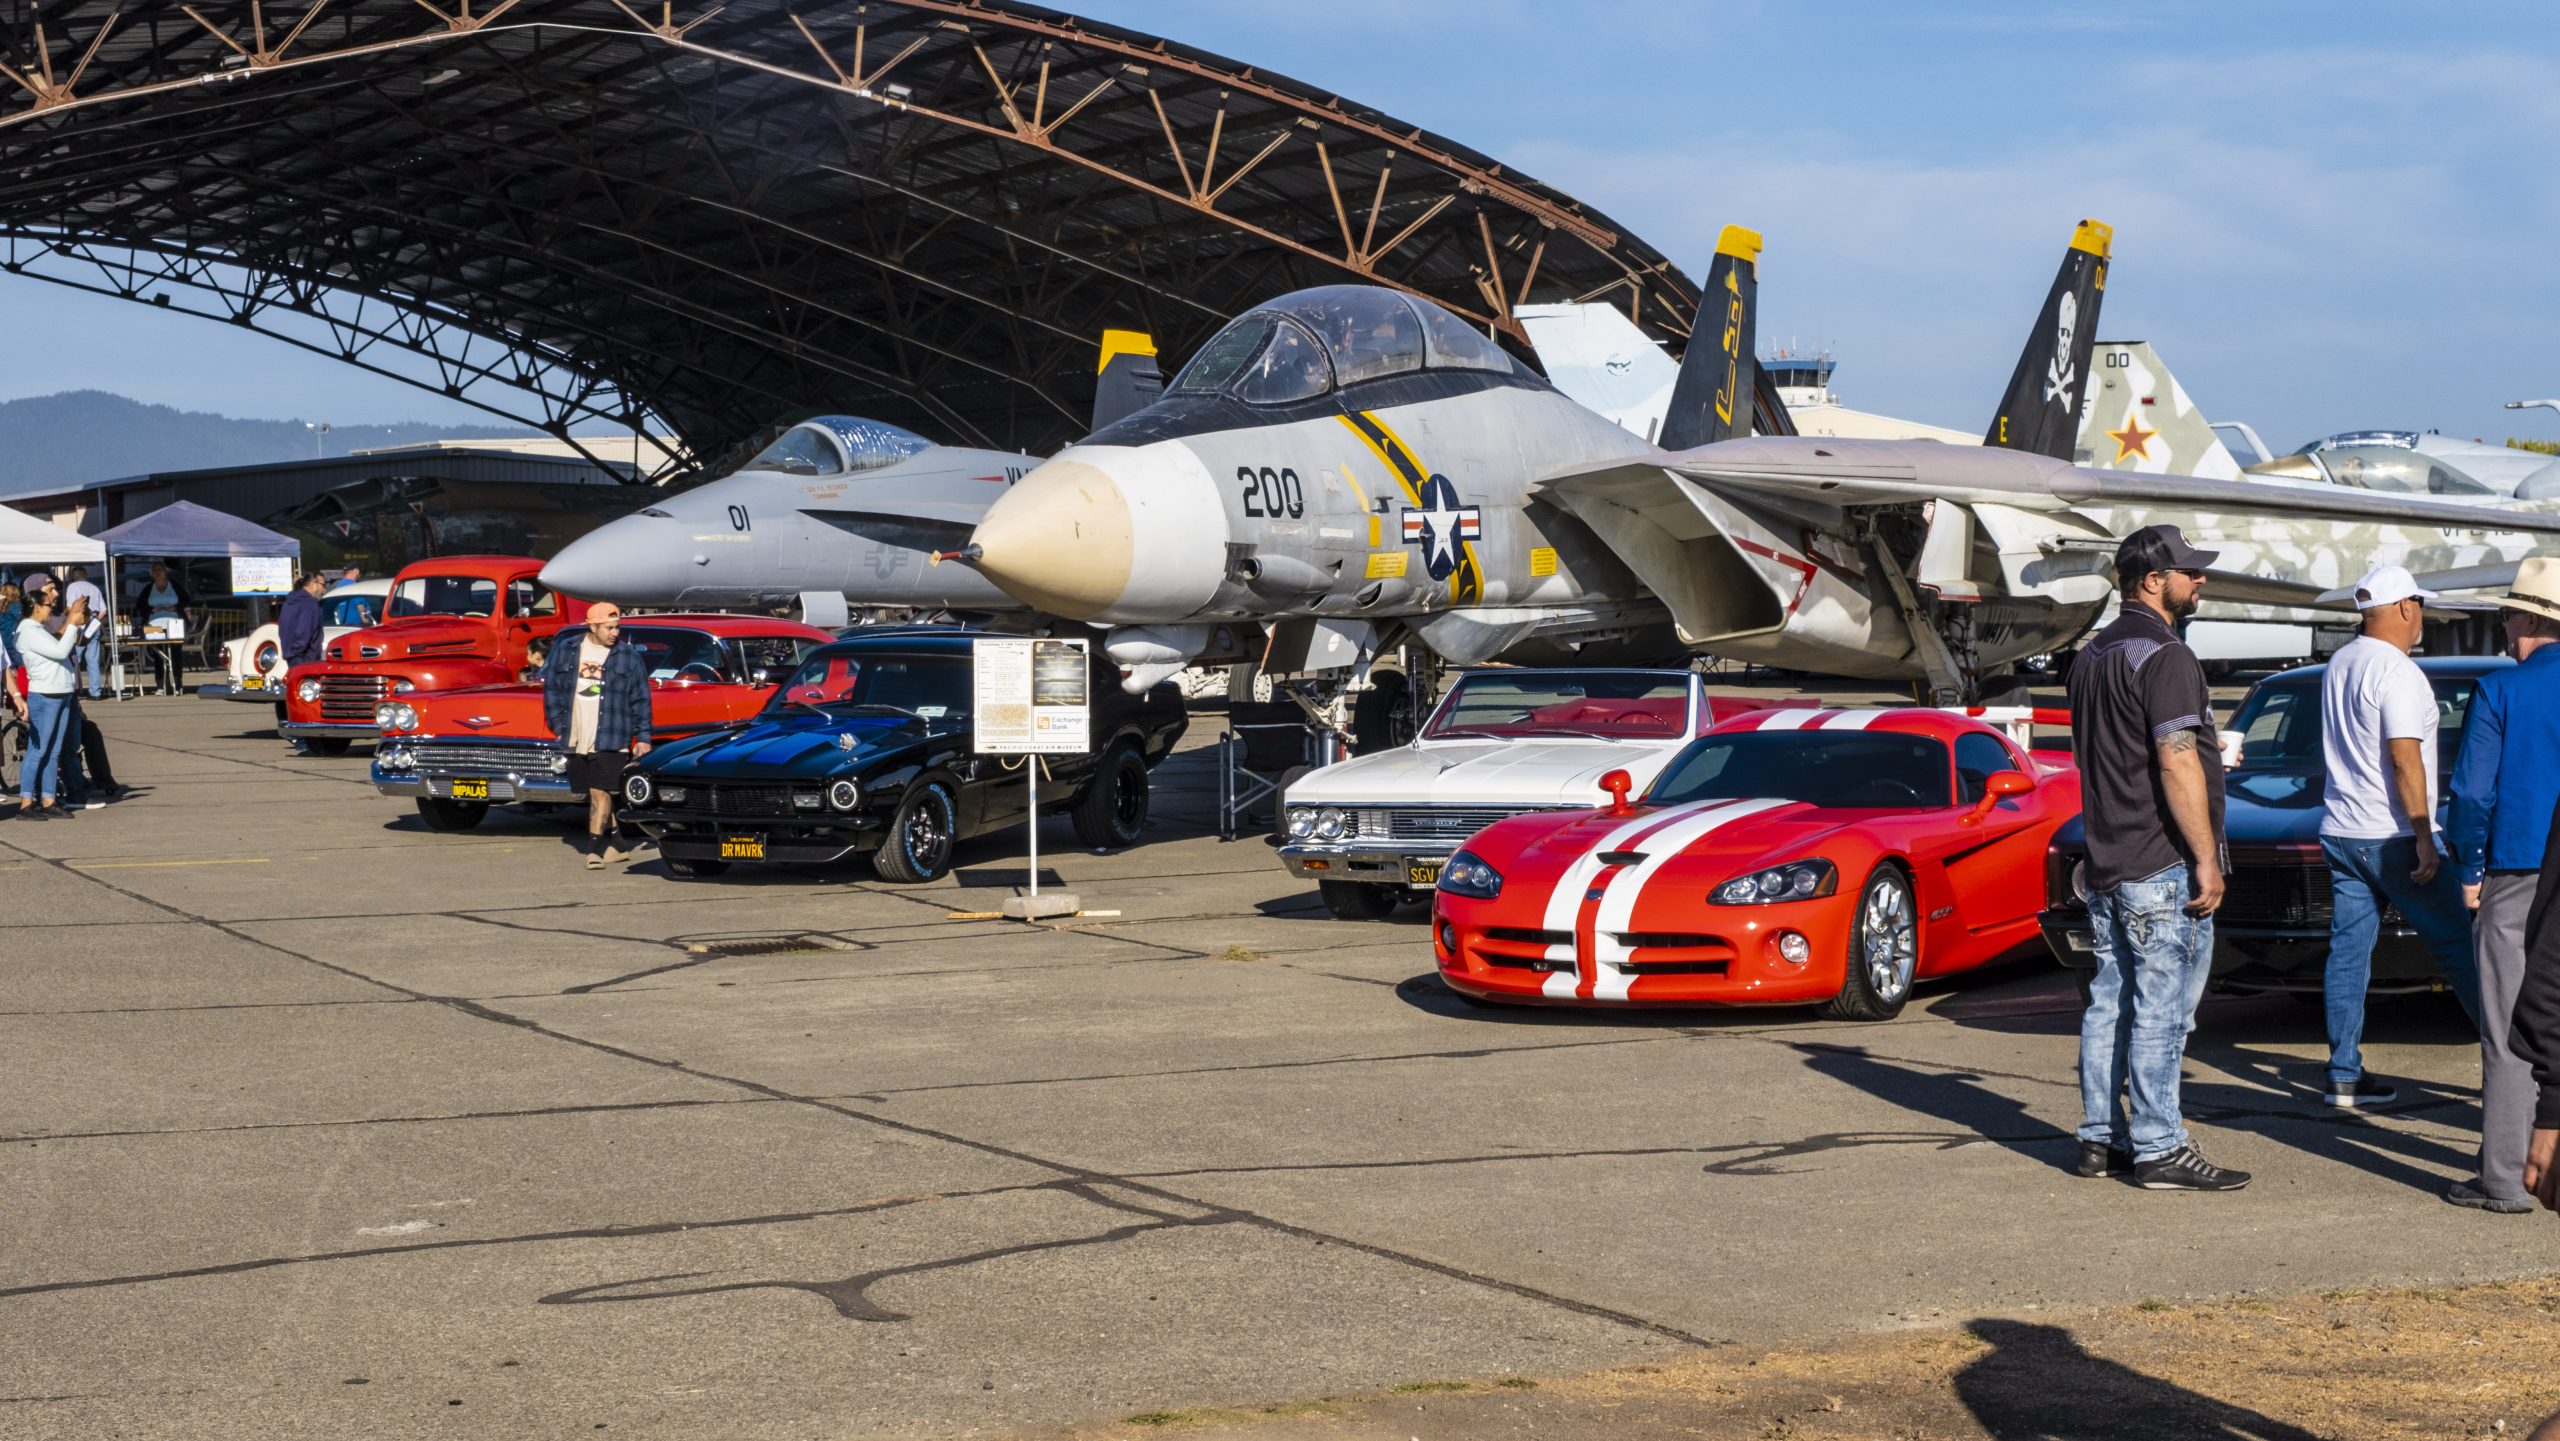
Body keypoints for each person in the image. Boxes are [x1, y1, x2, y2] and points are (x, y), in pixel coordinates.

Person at [2066, 524, 2248, 1191]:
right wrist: (2206, 856)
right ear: (2152, 579)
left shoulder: (2089, 656)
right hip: (2157, 861)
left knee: (2110, 1002)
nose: (2200, 581)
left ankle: (2099, 1136)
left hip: (2109, 858)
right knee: (2162, 1011)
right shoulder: (2167, 656)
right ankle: (2159, 1145)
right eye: (2190, 572)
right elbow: (2176, 759)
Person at [2316, 564, 2480, 1109]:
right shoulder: (2400, 672)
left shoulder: (2340, 662)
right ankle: (2514, 1067)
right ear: (2407, 607)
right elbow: (2404, 757)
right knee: (2462, 949)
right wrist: (2424, 837)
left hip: (2341, 831)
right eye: (2420, 607)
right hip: (2391, 835)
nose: (2422, 619)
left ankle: (2343, 1074)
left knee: (2348, 955)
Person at [2445, 555, 2560, 1214]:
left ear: (2527, 617)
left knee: (2513, 1022)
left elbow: (2471, 793)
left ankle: (2508, 1177)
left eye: (2508, 612)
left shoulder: (2501, 689)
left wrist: (2469, 869)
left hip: (2521, 871)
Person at [541, 602, 651, 868]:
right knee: (592, 792)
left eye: (617, 627)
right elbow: (552, 689)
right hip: (576, 735)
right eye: (609, 627)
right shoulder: (567, 650)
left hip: (612, 735)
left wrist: (644, 736)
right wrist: (557, 723)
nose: (615, 633)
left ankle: (593, 849)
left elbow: (641, 698)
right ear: (592, 626)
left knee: (601, 793)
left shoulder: (628, 656)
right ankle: (618, 843)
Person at [13, 573, 83, 820]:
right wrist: (73, 622)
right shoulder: (28, 630)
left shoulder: (39, 628)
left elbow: (61, 647)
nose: (50, 607)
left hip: (60, 692)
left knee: (53, 751)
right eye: (46, 604)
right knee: (38, 750)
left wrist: (74, 623)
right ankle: (25, 801)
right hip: (45, 695)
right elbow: (60, 649)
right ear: (35, 607)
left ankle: (48, 798)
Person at [277, 571, 329, 755]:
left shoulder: (290, 601)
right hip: (304, 658)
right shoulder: (309, 604)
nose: (324, 589)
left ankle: (299, 737)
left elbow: (283, 630)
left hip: (293, 655)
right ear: (313, 584)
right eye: (323, 584)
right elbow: (303, 632)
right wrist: (301, 652)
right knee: (307, 700)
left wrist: (291, 651)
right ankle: (303, 739)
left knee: (296, 697)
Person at [136, 560, 190, 695]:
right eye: (155, 571)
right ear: (152, 574)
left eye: (160, 570)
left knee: (176, 655)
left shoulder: (175, 585)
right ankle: (160, 686)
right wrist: (152, 609)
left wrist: (175, 607)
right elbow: (139, 605)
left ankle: (178, 685)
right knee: (158, 656)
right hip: (155, 626)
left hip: (175, 625)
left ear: (165, 572)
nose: (158, 573)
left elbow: (187, 599)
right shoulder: (149, 588)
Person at [61, 564, 105, 700]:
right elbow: (104, 611)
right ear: (85, 575)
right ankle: (95, 691)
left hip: (80, 624)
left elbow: (70, 608)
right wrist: (95, 620)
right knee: (93, 659)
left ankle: (74, 689)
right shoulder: (95, 588)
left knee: (75, 658)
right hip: (94, 623)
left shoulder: (72, 587)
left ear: (74, 576)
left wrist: (64, 616)